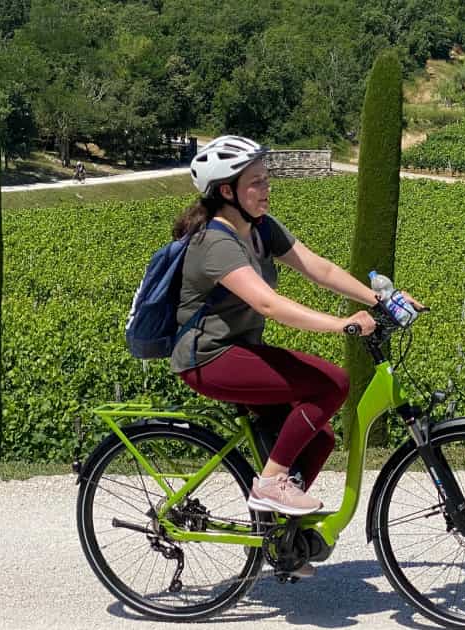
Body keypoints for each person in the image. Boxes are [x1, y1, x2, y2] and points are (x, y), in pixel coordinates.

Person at [169, 136, 425, 567]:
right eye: (255, 183)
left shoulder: (261, 228)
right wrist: (341, 324)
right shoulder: (216, 242)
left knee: (319, 435)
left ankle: (281, 539)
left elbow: (318, 268)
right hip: (209, 359)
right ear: (227, 192)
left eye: (266, 179)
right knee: (332, 384)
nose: (266, 189)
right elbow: (268, 304)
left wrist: (379, 300)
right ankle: (271, 483)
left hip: (240, 351)